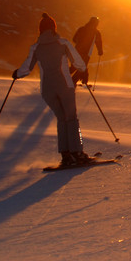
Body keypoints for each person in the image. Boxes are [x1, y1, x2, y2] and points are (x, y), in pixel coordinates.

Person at [12, 13, 90, 167]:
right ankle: (77, 153)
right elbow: (80, 63)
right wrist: (80, 70)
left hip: (47, 89)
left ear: (40, 30)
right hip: (64, 87)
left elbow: (26, 69)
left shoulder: (36, 47)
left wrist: (16, 73)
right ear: (54, 28)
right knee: (71, 118)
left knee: (61, 119)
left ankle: (66, 155)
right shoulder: (63, 43)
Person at [70, 16, 104, 86]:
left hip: (76, 51)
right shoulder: (96, 33)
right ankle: (72, 82)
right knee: (81, 68)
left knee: (74, 67)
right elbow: (99, 43)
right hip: (86, 54)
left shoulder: (81, 29)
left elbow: (74, 39)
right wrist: (100, 51)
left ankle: (62, 78)